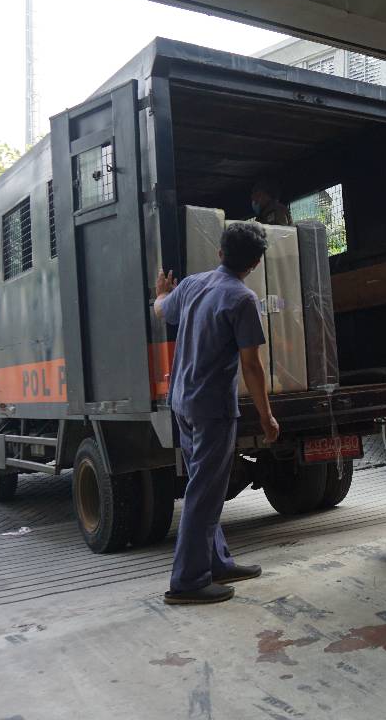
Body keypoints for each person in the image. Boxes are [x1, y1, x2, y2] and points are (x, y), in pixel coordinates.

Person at [153, 222, 281, 605]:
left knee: (203, 485)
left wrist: (160, 294)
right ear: (256, 263)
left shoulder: (192, 284)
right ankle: (187, 582)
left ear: (221, 253)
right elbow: (252, 366)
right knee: (204, 493)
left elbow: (162, 310)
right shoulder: (242, 299)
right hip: (211, 409)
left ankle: (217, 562)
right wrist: (267, 416)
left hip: (182, 402)